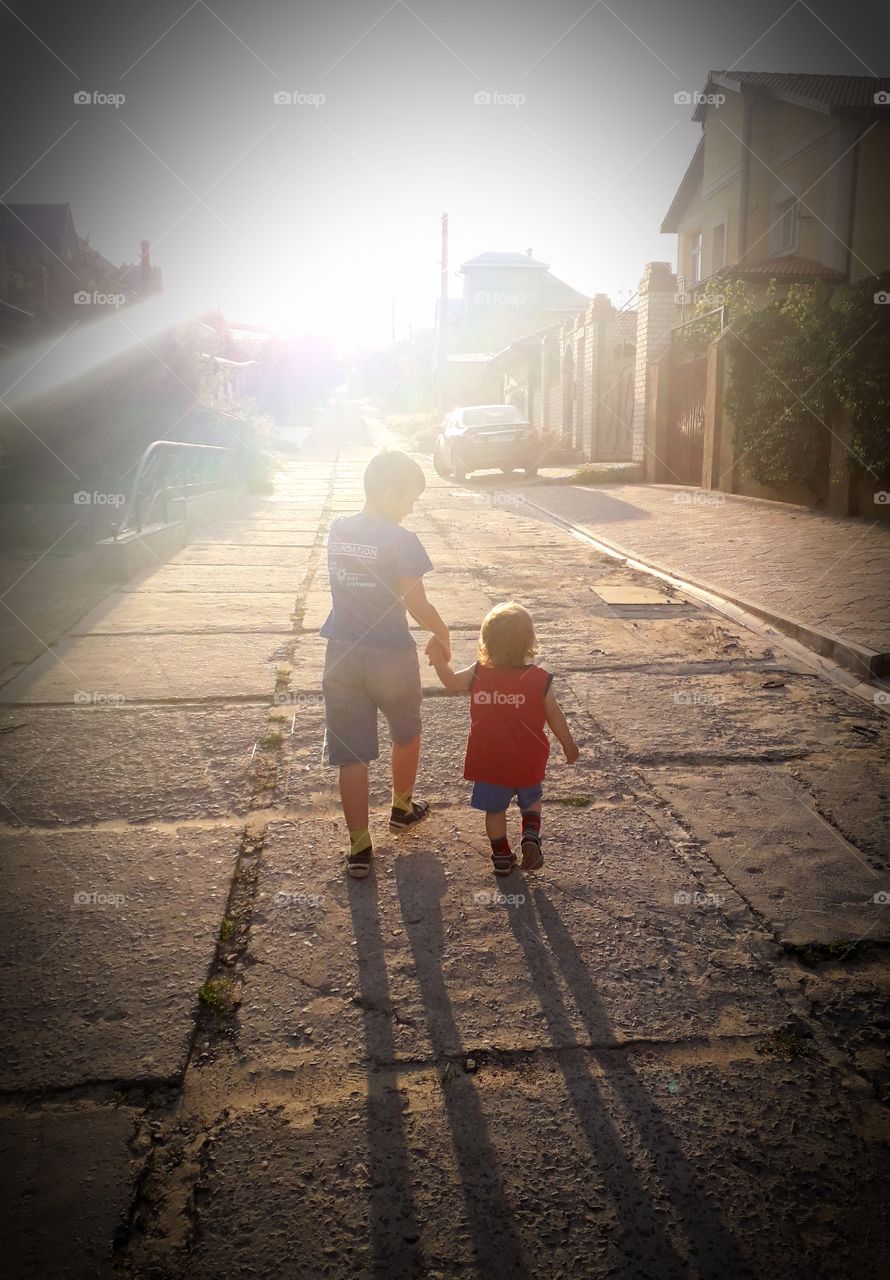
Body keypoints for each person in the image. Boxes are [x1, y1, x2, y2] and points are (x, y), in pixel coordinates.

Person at [320, 450, 450, 878]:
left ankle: (359, 848)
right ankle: (402, 807)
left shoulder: (338, 529)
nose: (412, 507)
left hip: (340, 651)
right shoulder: (401, 540)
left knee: (351, 755)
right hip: (390, 653)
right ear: (392, 492)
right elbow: (417, 606)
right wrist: (443, 631)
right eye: (410, 497)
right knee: (406, 731)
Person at [427, 601, 579, 875]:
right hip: (527, 759)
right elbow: (555, 715)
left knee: (495, 811)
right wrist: (568, 744)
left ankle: (501, 856)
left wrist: (437, 658)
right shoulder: (539, 678)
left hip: (489, 760)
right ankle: (530, 836)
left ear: (486, 642)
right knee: (531, 800)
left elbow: (450, 682)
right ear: (529, 642)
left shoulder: (478, 673)